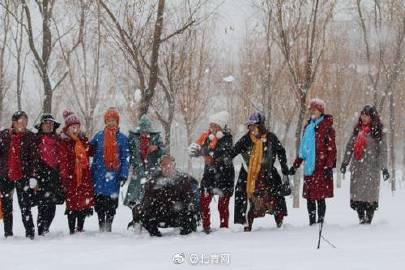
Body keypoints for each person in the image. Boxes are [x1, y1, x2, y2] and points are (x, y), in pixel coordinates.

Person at [231, 112, 289, 231]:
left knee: (275, 195)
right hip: (249, 174)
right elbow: (233, 151)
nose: (251, 128)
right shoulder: (246, 139)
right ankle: (245, 222)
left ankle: (279, 218)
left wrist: (284, 168)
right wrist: (224, 158)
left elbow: (281, 151)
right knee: (243, 194)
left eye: (254, 126)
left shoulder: (271, 137)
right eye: (250, 126)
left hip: (267, 172)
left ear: (261, 125)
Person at [289, 98, 336, 226]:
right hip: (309, 168)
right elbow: (303, 149)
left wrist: (328, 167)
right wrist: (295, 165)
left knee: (320, 198)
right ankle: (311, 222)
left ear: (320, 111)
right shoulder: (308, 127)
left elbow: (331, 150)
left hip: (321, 168)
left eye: (314, 110)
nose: (312, 113)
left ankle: (320, 222)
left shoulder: (327, 128)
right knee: (310, 198)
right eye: (311, 110)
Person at [340, 105, 389, 224]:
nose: (363, 117)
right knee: (358, 197)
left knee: (370, 198)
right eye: (362, 114)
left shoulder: (378, 132)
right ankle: (361, 219)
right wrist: (345, 163)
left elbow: (383, 151)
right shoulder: (357, 130)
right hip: (358, 168)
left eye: (366, 115)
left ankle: (368, 221)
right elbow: (349, 147)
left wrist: (384, 168)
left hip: (372, 169)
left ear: (372, 117)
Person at [188, 111, 234, 234]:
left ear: (221, 127)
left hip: (225, 176)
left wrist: (207, 153)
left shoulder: (227, 138)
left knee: (222, 206)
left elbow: (222, 151)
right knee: (203, 202)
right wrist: (200, 151)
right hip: (209, 176)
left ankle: (224, 228)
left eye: (215, 125)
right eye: (211, 125)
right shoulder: (207, 137)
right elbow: (199, 149)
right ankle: (206, 227)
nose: (212, 128)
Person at [138, 155, 198, 237]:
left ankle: (186, 235)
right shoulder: (152, 182)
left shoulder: (183, 180)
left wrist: (184, 207)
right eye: (164, 165)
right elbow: (147, 201)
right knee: (141, 211)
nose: (167, 167)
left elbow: (189, 198)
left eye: (170, 164)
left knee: (191, 210)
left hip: (178, 213)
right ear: (160, 166)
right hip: (159, 214)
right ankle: (155, 235)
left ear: (174, 165)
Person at [90, 108, 129, 232]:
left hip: (114, 176)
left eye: (113, 120)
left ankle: (109, 226)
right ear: (105, 121)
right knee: (100, 203)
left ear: (117, 122)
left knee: (111, 204)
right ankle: (101, 225)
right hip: (99, 175)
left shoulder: (122, 139)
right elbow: (90, 151)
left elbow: (125, 158)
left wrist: (123, 174)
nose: (111, 123)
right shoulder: (98, 136)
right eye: (108, 120)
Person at [0, 111, 38, 239]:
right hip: (6, 176)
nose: (24, 124)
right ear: (14, 123)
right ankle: (8, 233)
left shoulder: (30, 137)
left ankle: (30, 233)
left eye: (26, 121)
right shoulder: (4, 135)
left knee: (25, 205)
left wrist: (33, 176)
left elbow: (34, 159)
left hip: (23, 175)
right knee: (6, 206)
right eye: (21, 121)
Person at [124, 115, 166, 226]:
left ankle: (149, 220)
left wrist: (157, 148)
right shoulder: (133, 138)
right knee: (134, 199)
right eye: (142, 129)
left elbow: (164, 152)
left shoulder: (156, 138)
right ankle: (136, 221)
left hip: (152, 173)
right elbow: (128, 153)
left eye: (146, 129)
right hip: (138, 173)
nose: (144, 131)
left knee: (150, 198)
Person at [59, 110, 94, 234]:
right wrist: (64, 176)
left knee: (83, 204)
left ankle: (80, 227)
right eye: (72, 127)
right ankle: (72, 230)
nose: (75, 129)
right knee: (72, 205)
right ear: (67, 129)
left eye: (77, 127)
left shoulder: (83, 140)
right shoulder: (64, 142)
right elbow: (63, 161)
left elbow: (89, 152)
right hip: (71, 177)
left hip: (83, 177)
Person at [34, 113, 64, 236]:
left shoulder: (58, 140)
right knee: (42, 205)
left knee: (52, 206)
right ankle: (41, 230)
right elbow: (32, 158)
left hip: (54, 175)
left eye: (51, 124)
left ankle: (46, 227)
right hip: (41, 174)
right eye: (46, 123)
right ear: (41, 125)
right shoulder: (35, 139)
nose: (49, 126)